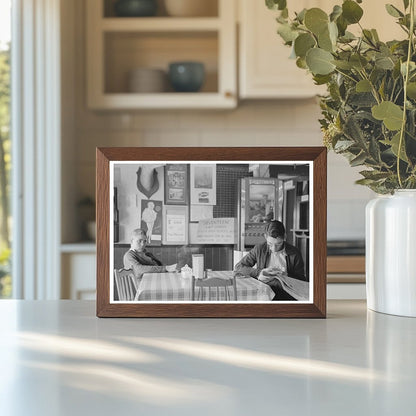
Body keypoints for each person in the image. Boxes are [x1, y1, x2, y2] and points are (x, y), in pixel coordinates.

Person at [234, 221, 306, 300]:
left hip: (287, 295)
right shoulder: (260, 249)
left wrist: (286, 275)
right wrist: (259, 272)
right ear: (265, 237)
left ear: (285, 237)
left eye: (278, 244)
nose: (274, 249)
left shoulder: (294, 252)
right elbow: (239, 267)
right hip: (264, 294)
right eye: (270, 244)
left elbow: (302, 280)